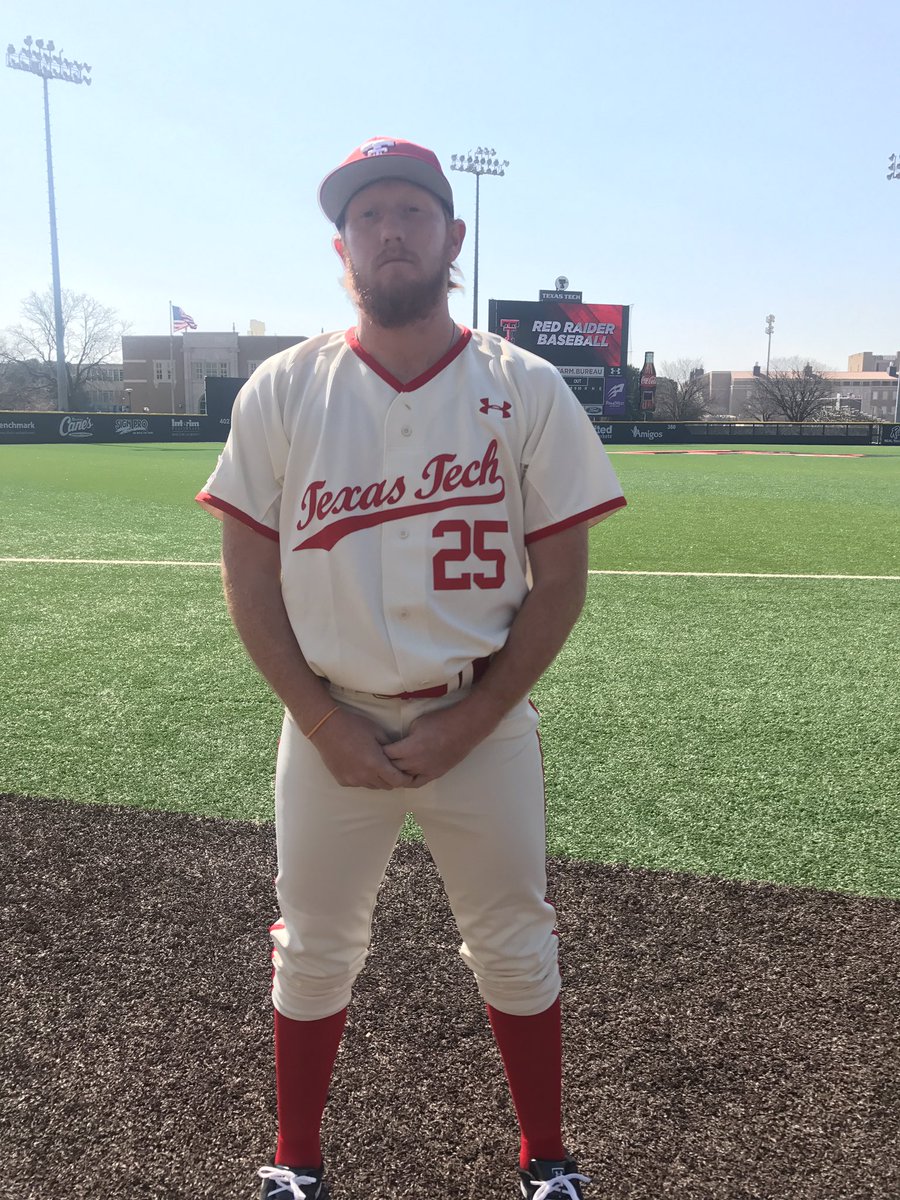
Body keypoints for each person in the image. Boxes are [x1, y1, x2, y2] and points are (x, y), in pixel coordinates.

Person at [196, 137, 626, 1200]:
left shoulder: (523, 386)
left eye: (412, 212)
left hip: (478, 720)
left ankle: (546, 1160)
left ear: (453, 236)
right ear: (343, 249)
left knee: (516, 945)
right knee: (314, 949)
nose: (390, 230)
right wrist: (326, 722)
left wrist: (472, 722)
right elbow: (248, 583)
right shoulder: (285, 388)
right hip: (328, 718)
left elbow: (562, 582)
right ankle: (297, 1162)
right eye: (368, 216)